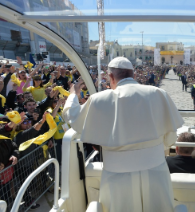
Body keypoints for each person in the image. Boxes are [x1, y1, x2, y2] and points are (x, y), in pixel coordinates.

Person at [62, 57, 184, 212]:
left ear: (111, 77)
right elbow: (170, 137)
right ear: (133, 75)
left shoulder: (99, 99)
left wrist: (74, 94)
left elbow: (72, 118)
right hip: (156, 172)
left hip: (116, 177)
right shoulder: (159, 93)